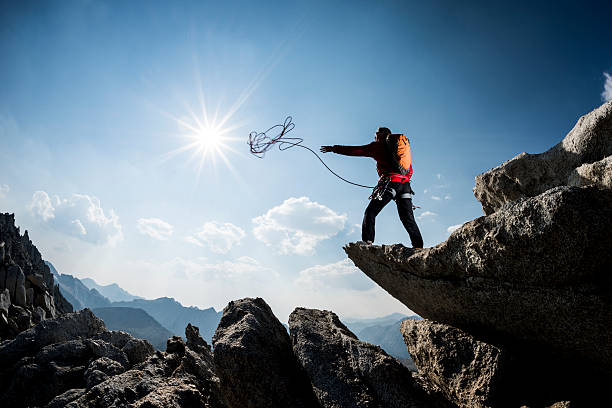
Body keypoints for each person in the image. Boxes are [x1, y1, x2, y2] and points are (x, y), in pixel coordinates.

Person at [320, 127, 424, 248]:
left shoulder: (377, 146)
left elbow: (357, 150)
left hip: (390, 183)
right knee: (407, 218)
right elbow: (409, 171)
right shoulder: (401, 153)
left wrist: (334, 149)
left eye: (376, 133)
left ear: (383, 134)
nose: (375, 136)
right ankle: (418, 247)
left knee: (371, 212)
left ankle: (367, 241)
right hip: (405, 186)